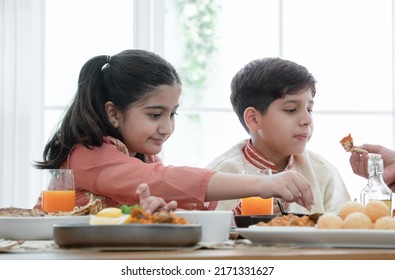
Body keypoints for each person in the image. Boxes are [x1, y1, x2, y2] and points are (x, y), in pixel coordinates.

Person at [33, 50, 314, 212]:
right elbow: (162, 180)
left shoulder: (143, 156)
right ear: (113, 113)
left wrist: (155, 215)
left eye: (172, 113)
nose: (167, 128)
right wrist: (263, 184)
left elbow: (168, 195)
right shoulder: (87, 154)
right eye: (155, 114)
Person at [207, 57, 351, 215]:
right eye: (291, 110)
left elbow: (347, 228)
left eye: (309, 109)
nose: (307, 120)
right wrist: (242, 216)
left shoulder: (323, 172)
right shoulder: (220, 175)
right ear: (254, 119)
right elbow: (205, 231)